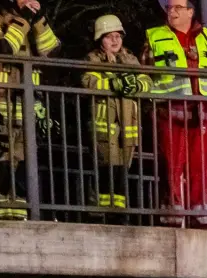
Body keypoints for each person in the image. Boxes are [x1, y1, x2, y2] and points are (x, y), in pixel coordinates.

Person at [144, 0, 207, 228]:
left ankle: (200, 215)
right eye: (170, 8)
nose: (172, 11)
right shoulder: (154, 36)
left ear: (191, 11)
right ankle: (171, 214)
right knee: (171, 165)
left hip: (204, 112)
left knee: (201, 165)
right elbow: (145, 72)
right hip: (169, 111)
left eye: (178, 7)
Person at [0, 0, 59, 220]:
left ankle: (21, 212)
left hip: (27, 105)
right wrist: (22, 21)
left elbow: (51, 52)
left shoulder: (33, 25)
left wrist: (40, 20)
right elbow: (2, 49)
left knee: (24, 159)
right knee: (3, 157)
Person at [83, 15, 149, 215]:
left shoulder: (130, 58)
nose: (115, 40)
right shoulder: (93, 59)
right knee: (104, 172)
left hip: (128, 126)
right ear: (99, 40)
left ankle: (118, 214)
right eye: (109, 36)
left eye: (118, 36)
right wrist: (114, 83)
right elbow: (89, 82)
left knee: (121, 173)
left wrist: (136, 85)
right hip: (104, 125)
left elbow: (147, 82)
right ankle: (100, 214)